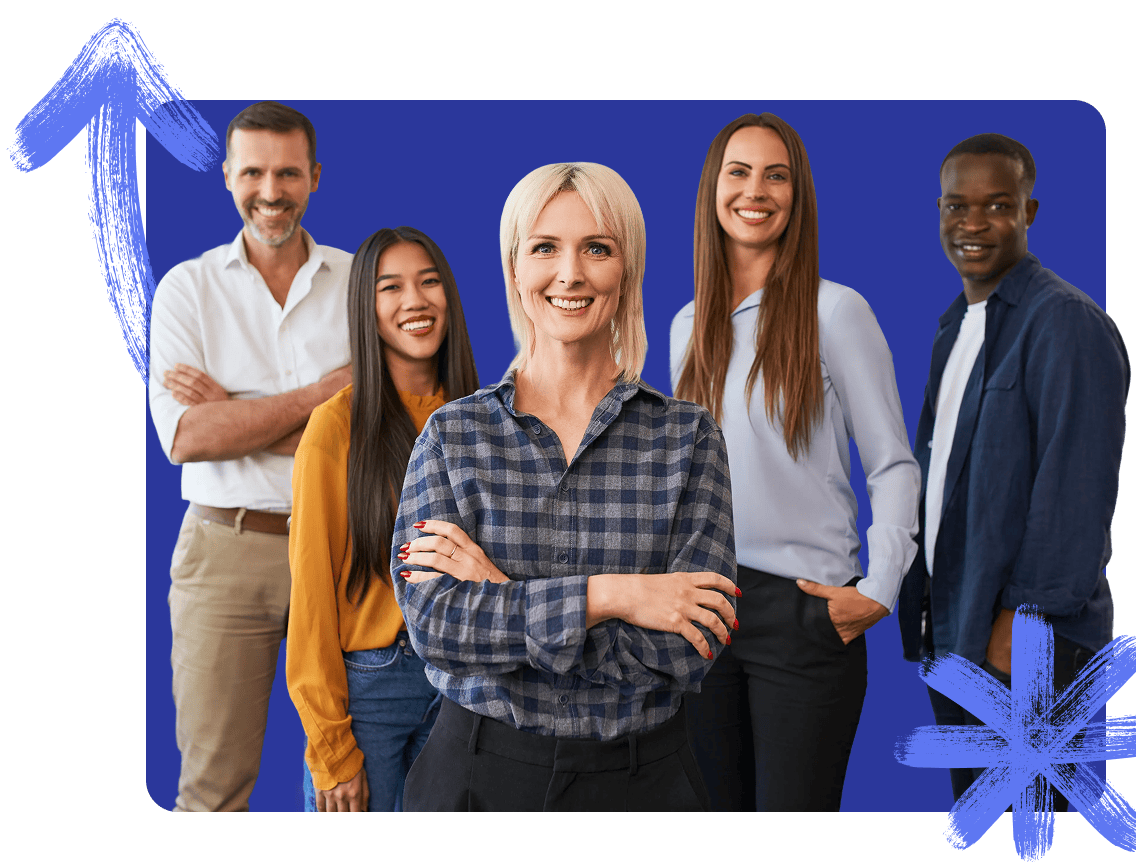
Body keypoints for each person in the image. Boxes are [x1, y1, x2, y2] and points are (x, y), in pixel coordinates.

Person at [389, 162, 739, 812]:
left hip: (643, 785)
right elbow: (435, 626)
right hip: (476, 778)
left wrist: (501, 592)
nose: (570, 273)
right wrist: (614, 595)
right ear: (514, 268)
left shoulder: (688, 439)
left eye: (597, 248)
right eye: (545, 247)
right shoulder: (452, 435)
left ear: (627, 269)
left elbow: (690, 647)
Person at [671, 113, 921, 811]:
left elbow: (893, 465)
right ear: (712, 189)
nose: (756, 190)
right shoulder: (686, 326)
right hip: (707, 610)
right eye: (739, 172)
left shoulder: (836, 312)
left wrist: (879, 586)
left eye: (775, 175)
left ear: (797, 194)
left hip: (806, 614)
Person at [897, 133, 1130, 807]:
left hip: (1028, 648)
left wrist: (1021, 625)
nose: (972, 224)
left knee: (1035, 829)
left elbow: (1076, 494)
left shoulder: (1065, 323)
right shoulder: (956, 326)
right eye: (956, 206)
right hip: (960, 633)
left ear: (1030, 211)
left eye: (997, 205)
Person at [148, 101, 352, 812]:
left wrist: (235, 408)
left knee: (352, 776)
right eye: (254, 173)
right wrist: (322, 396)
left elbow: (382, 434)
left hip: (345, 548)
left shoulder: (361, 282)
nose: (271, 191)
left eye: (288, 173)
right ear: (228, 177)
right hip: (225, 554)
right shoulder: (187, 289)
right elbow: (187, 438)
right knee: (212, 790)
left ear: (315, 177)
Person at [286, 227, 480, 812]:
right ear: (365, 310)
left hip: (462, 690)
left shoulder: (483, 418)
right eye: (390, 287)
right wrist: (330, 746)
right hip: (371, 690)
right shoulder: (335, 426)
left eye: (429, 282)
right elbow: (311, 592)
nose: (414, 301)